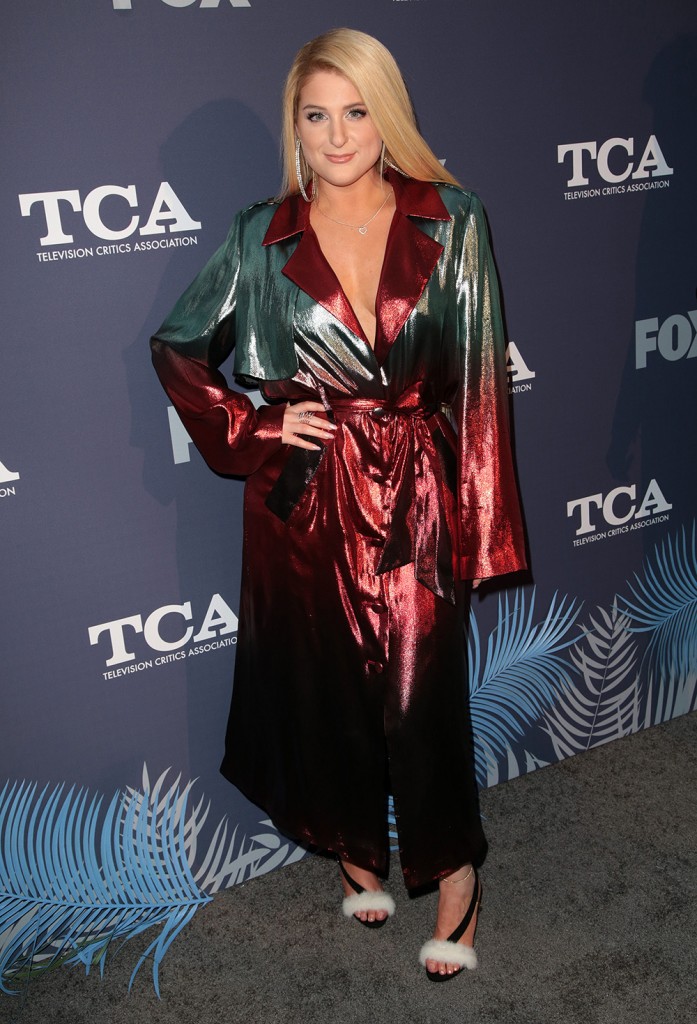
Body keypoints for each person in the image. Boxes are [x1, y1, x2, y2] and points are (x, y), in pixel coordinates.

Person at [151, 27, 526, 981]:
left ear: (385, 114)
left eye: (355, 111)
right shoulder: (260, 234)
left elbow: (480, 381)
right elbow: (180, 347)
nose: (337, 134)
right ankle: (356, 850)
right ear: (296, 127)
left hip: (417, 490)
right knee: (321, 687)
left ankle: (455, 874)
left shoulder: (452, 219)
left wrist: (481, 524)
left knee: (421, 696)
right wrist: (257, 425)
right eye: (315, 116)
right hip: (307, 500)